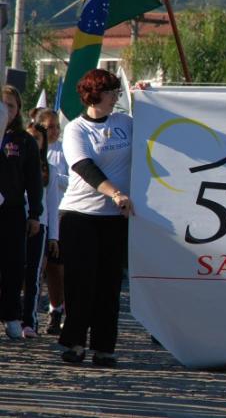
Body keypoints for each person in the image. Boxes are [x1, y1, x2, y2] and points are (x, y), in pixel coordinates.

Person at [58, 69, 133, 367]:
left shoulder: (125, 123)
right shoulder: (76, 129)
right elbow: (84, 167)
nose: (116, 96)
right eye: (112, 91)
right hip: (80, 215)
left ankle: (105, 347)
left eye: (118, 91)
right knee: (82, 282)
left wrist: (149, 94)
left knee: (109, 284)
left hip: (114, 218)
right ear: (95, 94)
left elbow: (156, 130)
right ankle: (74, 343)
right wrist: (115, 193)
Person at [0, 85, 43, 339]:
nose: (6, 111)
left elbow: (33, 179)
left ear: (18, 111)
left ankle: (11, 316)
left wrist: (35, 213)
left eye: (11, 106)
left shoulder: (23, 141)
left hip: (13, 211)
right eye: (2, 105)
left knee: (14, 265)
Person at [22, 122, 59, 338]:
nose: (32, 142)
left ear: (44, 142)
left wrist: (54, 236)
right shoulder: (13, 163)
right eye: (29, 137)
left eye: (37, 138)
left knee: (34, 274)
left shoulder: (49, 169)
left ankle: (30, 320)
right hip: (14, 221)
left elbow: (52, 205)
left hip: (40, 226)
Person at [34, 108, 68, 334]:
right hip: (37, 215)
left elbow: (75, 177)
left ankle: (56, 309)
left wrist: (56, 177)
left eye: (57, 126)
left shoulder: (65, 150)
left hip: (60, 213)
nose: (54, 131)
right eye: (49, 127)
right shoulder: (33, 149)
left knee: (56, 268)